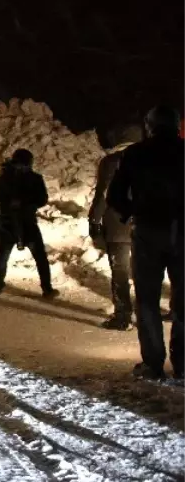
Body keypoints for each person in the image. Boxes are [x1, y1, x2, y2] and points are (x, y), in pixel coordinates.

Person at [106, 105, 185, 381]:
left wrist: (131, 212)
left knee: (148, 299)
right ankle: (183, 363)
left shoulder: (136, 154)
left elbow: (114, 194)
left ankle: (153, 363)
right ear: (176, 125)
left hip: (148, 231)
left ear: (149, 126)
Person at [89, 124, 143, 330]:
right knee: (144, 272)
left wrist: (94, 220)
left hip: (118, 225)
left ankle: (123, 316)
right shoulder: (152, 159)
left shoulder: (112, 162)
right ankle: (147, 315)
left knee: (120, 271)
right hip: (147, 225)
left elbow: (103, 194)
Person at [0, 149, 58, 298]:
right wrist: (25, 202)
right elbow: (42, 199)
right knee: (37, 256)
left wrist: (16, 202)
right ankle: (47, 289)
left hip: (14, 222)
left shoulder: (5, 177)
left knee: (4, 255)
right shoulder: (32, 178)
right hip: (22, 221)